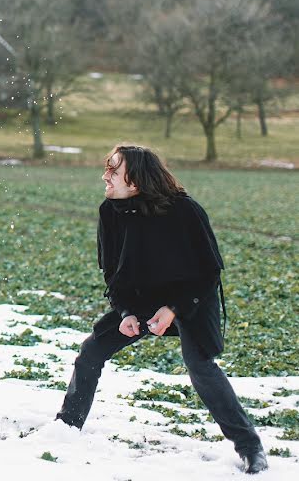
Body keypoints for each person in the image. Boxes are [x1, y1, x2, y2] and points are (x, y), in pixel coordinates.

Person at [56, 144, 267, 474]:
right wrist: (125, 312)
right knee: (92, 351)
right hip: (142, 298)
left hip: (192, 295)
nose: (105, 175)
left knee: (201, 366)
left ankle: (250, 446)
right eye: (106, 168)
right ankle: (66, 427)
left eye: (113, 169)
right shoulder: (109, 212)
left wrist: (173, 308)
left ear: (136, 181)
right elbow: (112, 273)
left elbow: (209, 271)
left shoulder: (184, 211)